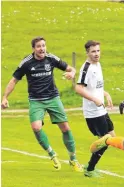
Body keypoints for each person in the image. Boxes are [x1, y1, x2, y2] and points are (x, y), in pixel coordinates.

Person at [1, 36, 83, 172]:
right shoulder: (26, 63)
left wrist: (72, 73)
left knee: (66, 128)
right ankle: (52, 154)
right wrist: (4, 97)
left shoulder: (51, 58)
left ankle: (73, 159)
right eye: (39, 46)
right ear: (33, 49)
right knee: (36, 127)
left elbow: (71, 68)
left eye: (43, 45)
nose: (42, 48)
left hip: (53, 98)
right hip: (35, 100)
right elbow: (13, 80)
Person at [75, 40, 115, 177]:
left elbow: (94, 87)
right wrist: (95, 99)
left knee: (112, 137)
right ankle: (90, 169)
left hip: (101, 110)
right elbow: (79, 88)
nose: (96, 54)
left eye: (98, 50)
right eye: (93, 51)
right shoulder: (86, 68)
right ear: (87, 53)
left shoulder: (98, 65)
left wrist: (105, 94)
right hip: (93, 113)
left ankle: (90, 166)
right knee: (106, 140)